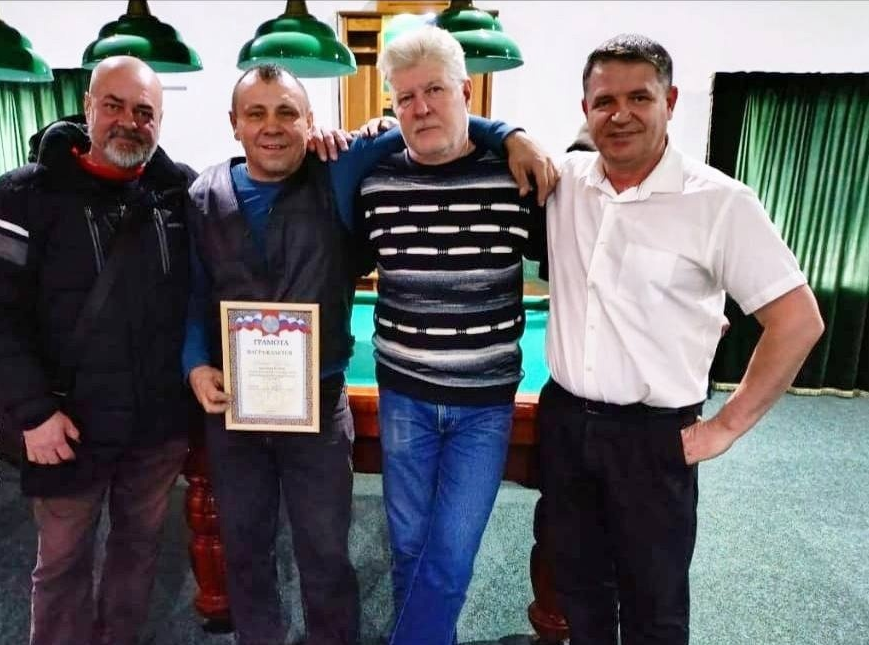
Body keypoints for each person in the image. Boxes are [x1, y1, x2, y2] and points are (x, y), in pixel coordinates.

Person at [181, 63, 554, 645]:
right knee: (244, 548)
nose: (272, 126)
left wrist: (509, 133)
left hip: (320, 402)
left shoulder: (338, 167)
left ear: (309, 121)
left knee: (326, 552)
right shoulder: (204, 194)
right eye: (256, 113)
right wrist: (195, 362)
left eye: (287, 113)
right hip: (235, 405)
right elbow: (195, 291)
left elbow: (429, 120)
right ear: (234, 123)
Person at [540, 34, 824, 645]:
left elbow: (798, 320)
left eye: (639, 97)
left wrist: (727, 426)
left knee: (655, 604)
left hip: (652, 437)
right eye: (604, 101)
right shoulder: (564, 180)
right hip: (564, 422)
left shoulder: (720, 203)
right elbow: (490, 145)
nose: (620, 114)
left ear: (669, 102)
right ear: (585, 109)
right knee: (580, 590)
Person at [0, 56, 196, 645]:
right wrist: (33, 413)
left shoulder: (179, 192)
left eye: (144, 111)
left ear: (160, 121)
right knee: (62, 562)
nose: (129, 121)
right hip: (66, 427)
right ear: (88, 107)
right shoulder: (22, 194)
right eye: (113, 105)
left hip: (158, 426)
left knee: (139, 549)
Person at [354, 26, 551, 644]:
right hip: (403, 396)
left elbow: (582, 261)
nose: (420, 108)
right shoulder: (375, 183)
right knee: (409, 548)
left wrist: (509, 133)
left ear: (466, 92)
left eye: (435, 90)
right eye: (405, 97)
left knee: (451, 554)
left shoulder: (516, 179)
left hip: (484, 407)